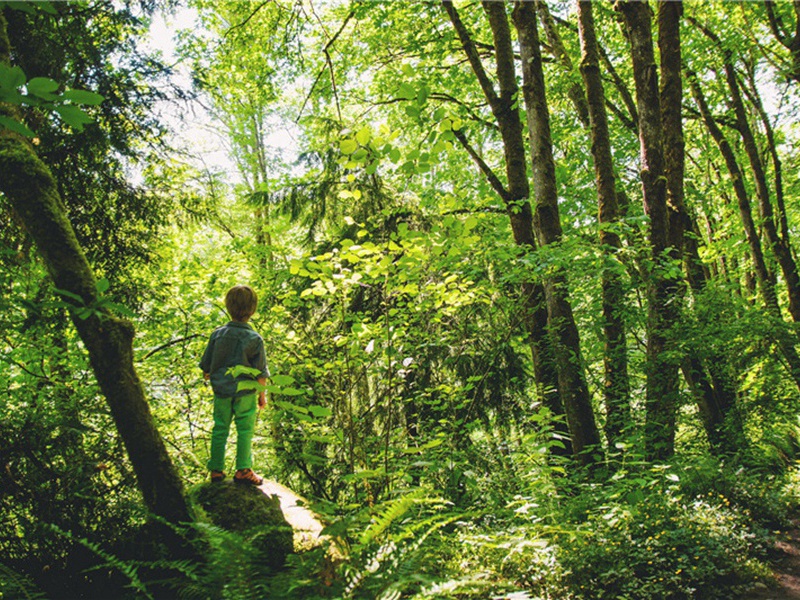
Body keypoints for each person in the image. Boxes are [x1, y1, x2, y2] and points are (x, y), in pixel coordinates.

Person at [199, 284, 269, 485]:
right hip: (245, 392)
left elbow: (206, 366)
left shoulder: (218, 334)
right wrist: (262, 396)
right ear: (253, 310)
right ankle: (243, 470)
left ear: (228, 307)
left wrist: (212, 374)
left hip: (221, 391)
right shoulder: (254, 338)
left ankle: (216, 470)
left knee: (220, 428)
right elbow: (261, 372)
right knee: (245, 430)